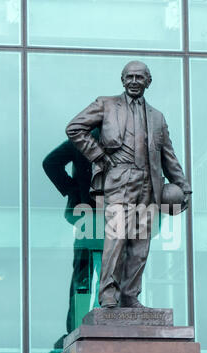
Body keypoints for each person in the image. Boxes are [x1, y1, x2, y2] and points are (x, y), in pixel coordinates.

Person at [66, 61, 192, 308]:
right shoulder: (106, 104)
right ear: (122, 80)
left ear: (148, 81)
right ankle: (108, 296)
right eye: (130, 77)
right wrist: (99, 156)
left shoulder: (157, 117)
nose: (134, 81)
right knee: (116, 238)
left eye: (140, 77)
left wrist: (182, 185)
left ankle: (130, 295)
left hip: (149, 183)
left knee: (140, 243)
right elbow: (74, 128)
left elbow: (169, 156)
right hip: (119, 180)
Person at [42, 131, 103, 332]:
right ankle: (86, 323)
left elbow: (50, 163)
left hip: (93, 215)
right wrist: (72, 190)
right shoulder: (86, 140)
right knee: (99, 271)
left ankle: (79, 324)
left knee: (85, 273)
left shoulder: (83, 140)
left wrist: (73, 191)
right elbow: (50, 163)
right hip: (96, 216)